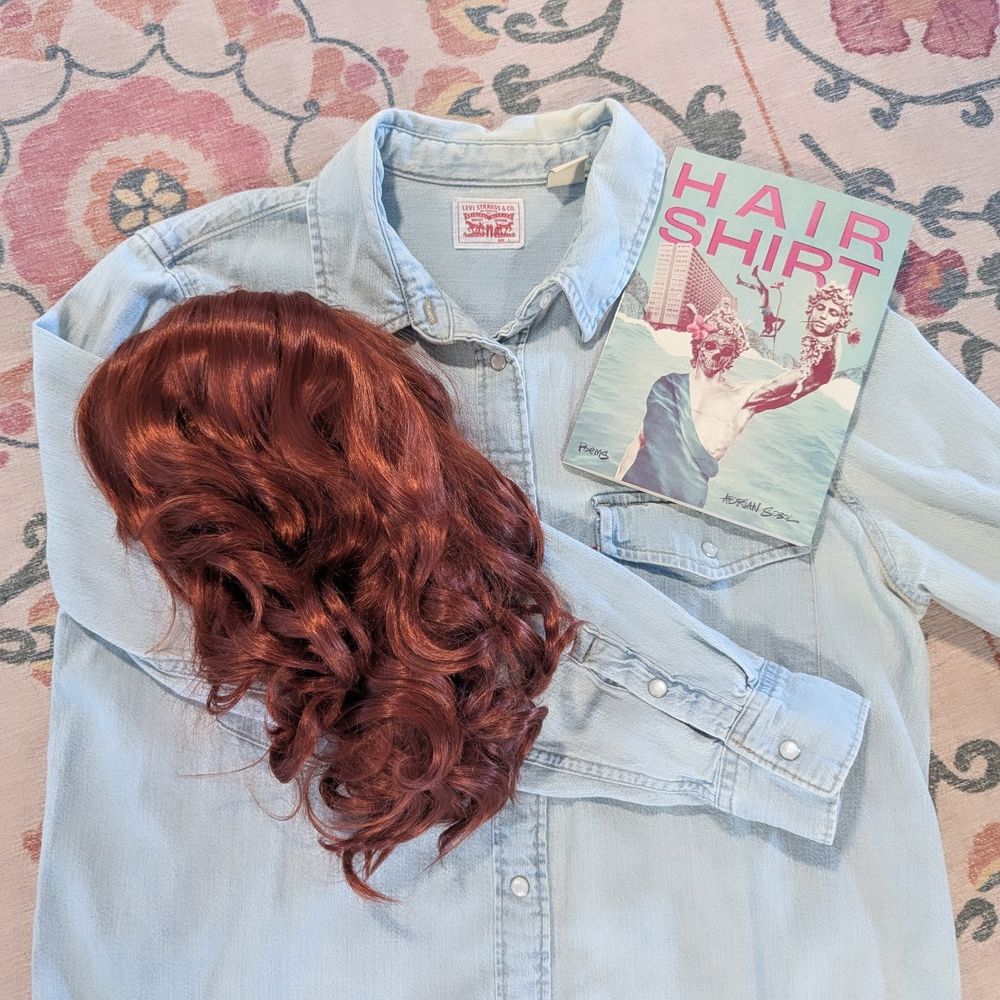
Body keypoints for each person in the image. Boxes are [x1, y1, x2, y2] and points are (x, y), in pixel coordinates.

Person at [616, 284, 855, 505]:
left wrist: (826, 334)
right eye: (711, 345)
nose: (717, 353)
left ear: (732, 357)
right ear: (699, 346)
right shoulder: (667, 385)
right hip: (634, 484)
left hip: (684, 502)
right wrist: (615, 488)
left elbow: (817, 377)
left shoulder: (743, 398)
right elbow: (638, 442)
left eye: (726, 350)